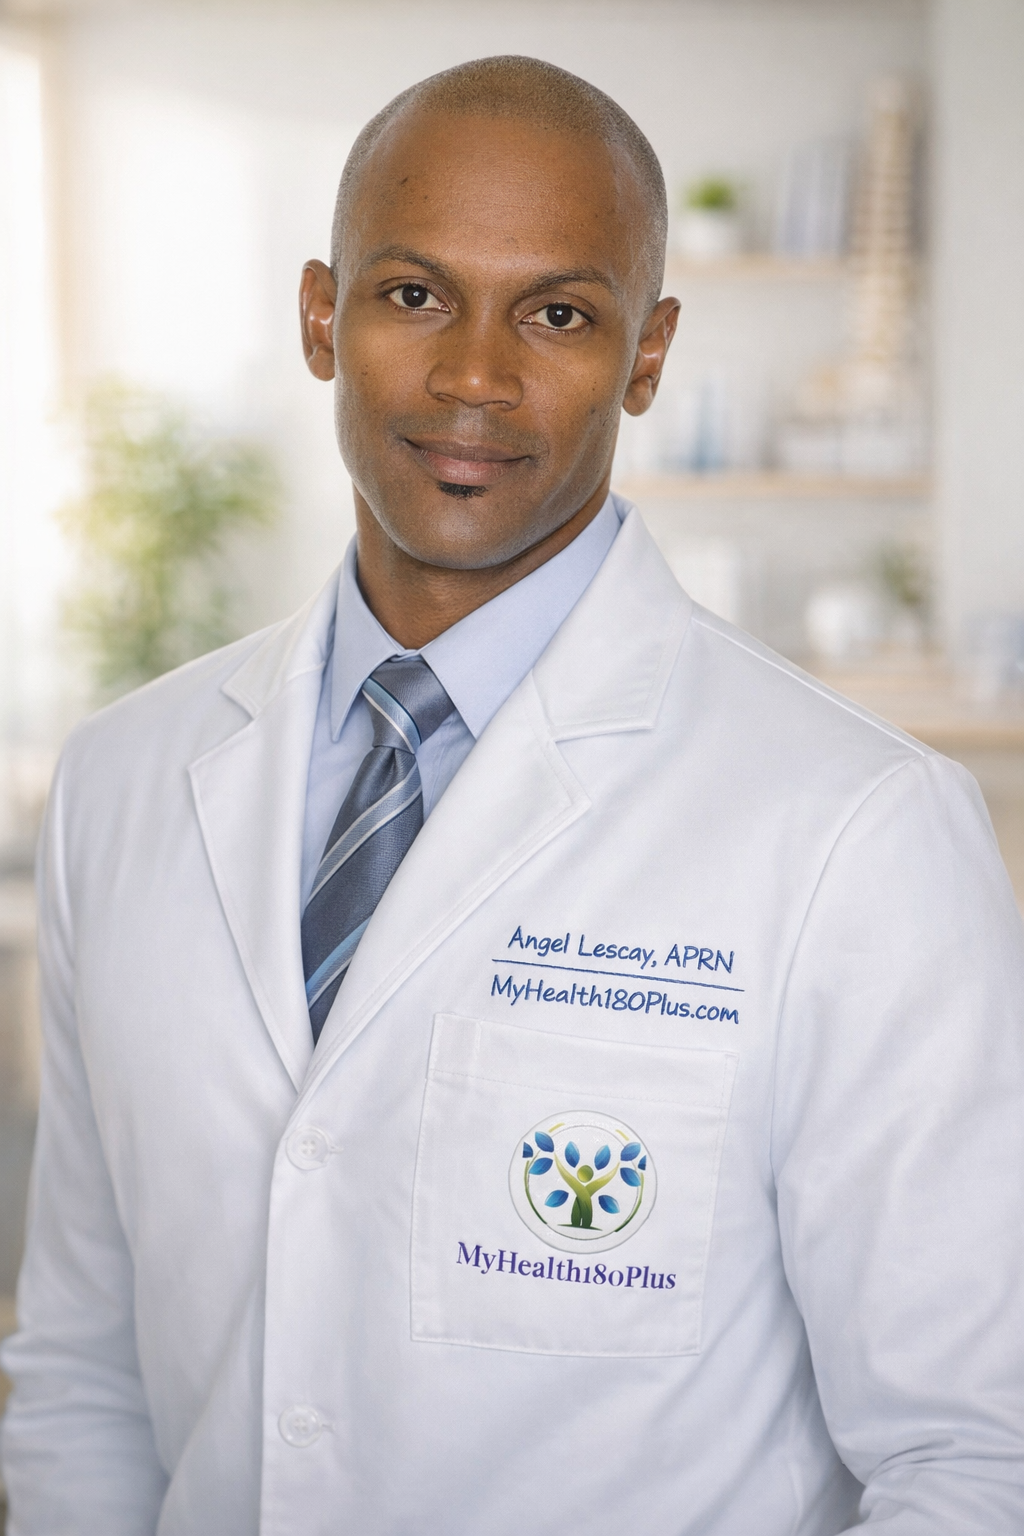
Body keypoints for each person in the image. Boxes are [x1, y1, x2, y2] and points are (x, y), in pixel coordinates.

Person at [2, 54, 1022, 1536]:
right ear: (318, 316)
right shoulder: (123, 783)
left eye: (557, 313)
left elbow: (973, 1456)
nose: (476, 377)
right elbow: (89, 1374)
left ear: (650, 355)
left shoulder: (859, 833)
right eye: (415, 294)